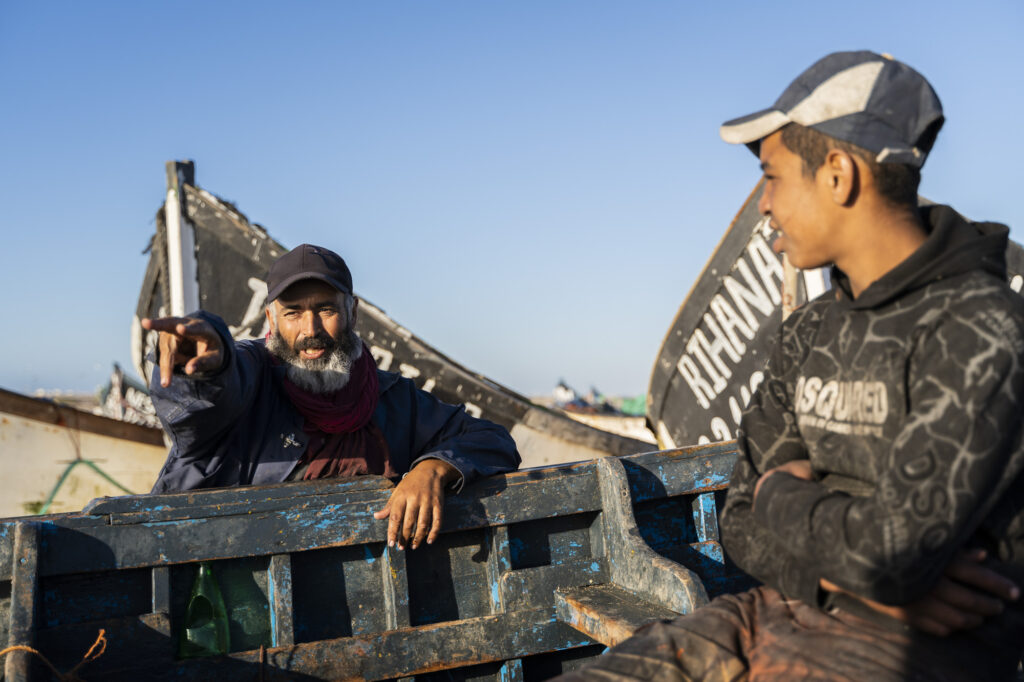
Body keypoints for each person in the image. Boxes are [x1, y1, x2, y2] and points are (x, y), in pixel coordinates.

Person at [555, 51, 1024, 681]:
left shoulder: (981, 328)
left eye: (772, 177)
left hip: (914, 652)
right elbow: (741, 522)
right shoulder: (810, 330)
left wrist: (784, 491)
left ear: (838, 174)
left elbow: (892, 554)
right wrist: (848, 579)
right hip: (770, 612)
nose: (764, 205)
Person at [142, 243, 521, 551]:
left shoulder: (391, 397)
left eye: (325, 309)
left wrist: (433, 469)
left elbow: (492, 439)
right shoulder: (251, 376)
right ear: (271, 321)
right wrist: (203, 362)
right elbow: (206, 398)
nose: (311, 330)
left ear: (352, 312)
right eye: (293, 313)